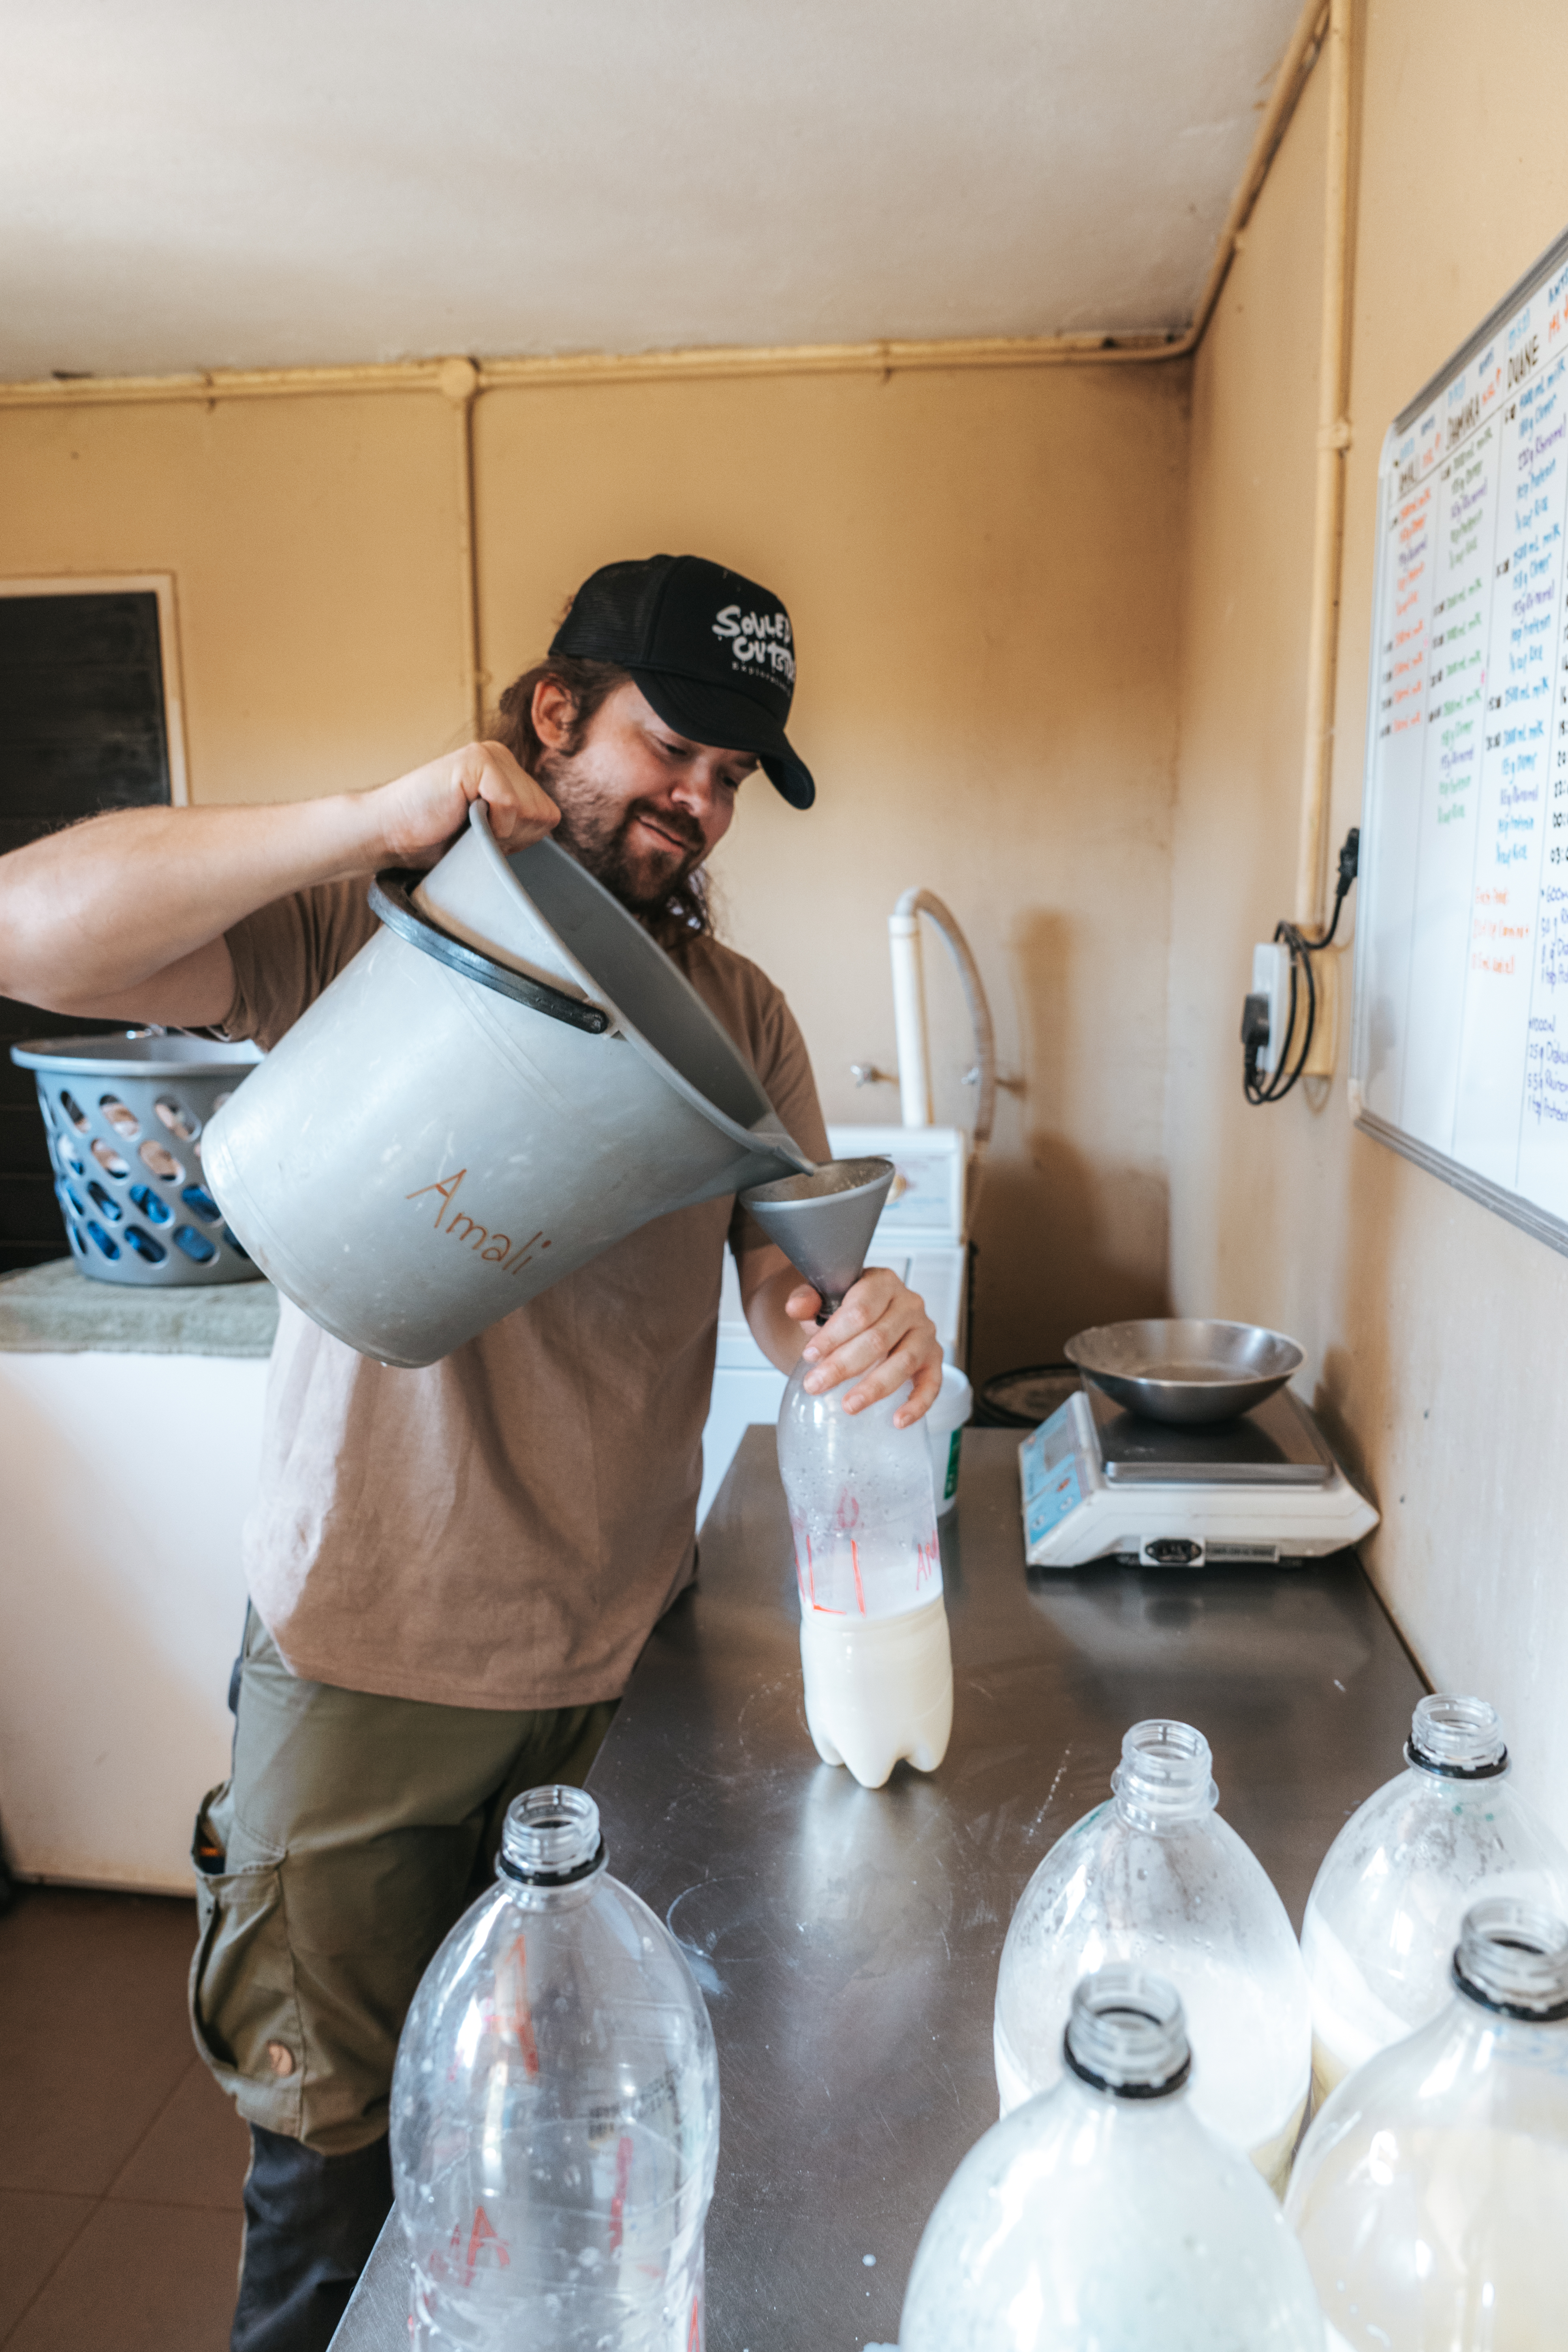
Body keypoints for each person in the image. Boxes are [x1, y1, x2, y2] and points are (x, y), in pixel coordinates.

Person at [0, 553, 942, 2351]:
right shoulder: (373, 930)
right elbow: (26, 926)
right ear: (553, 714)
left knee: (546, 2152)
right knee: (326, 2176)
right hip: (363, 1665)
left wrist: (861, 1322)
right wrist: (373, 814)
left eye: (734, 778)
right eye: (675, 748)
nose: (700, 801)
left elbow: (792, 1278)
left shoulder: (734, 1019)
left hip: (606, 1679)